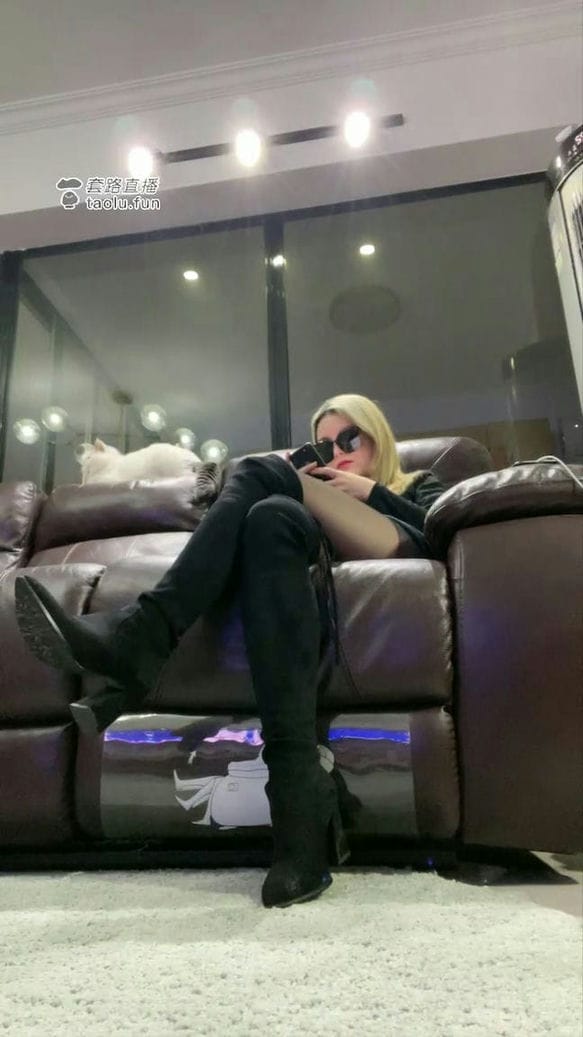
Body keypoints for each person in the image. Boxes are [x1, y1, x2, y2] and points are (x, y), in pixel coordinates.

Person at [14, 393, 444, 909]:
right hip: (320, 539)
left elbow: (437, 530)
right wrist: (309, 492)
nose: (338, 452)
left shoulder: (416, 482)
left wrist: (369, 491)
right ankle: (299, 811)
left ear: (379, 437)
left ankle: (143, 635)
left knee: (260, 470)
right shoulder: (307, 507)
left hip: (391, 538)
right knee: (269, 517)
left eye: (351, 438)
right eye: (324, 445)